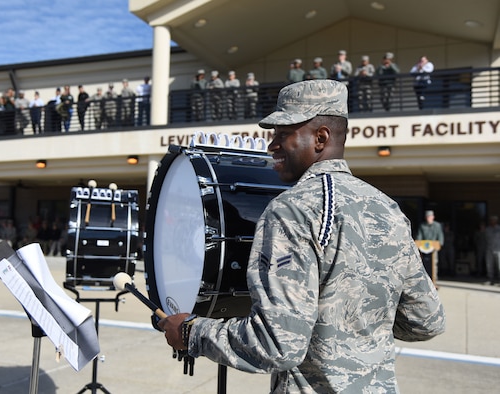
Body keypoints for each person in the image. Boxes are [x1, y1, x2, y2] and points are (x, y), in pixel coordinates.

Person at [158, 80, 445, 393]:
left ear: (320, 138)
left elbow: (277, 344)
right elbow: (426, 320)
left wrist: (190, 332)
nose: (272, 145)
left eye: (284, 134)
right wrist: (355, 331)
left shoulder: (291, 210)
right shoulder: (388, 209)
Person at [416, 210, 445, 281]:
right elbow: (419, 236)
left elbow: (440, 236)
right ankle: (424, 280)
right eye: (427, 217)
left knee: (434, 264)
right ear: (426, 218)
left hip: (433, 248)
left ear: (433, 217)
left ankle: (434, 280)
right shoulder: (422, 226)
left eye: (430, 217)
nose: (429, 218)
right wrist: (418, 243)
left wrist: (440, 244)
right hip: (423, 248)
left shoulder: (437, 225)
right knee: (423, 264)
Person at [485, 215, 500, 284]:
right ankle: (490, 279)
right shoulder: (487, 229)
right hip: (489, 249)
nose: (492, 221)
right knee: (489, 265)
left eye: (494, 220)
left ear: (496, 221)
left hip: (498, 249)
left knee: (499, 265)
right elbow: (485, 239)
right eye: (491, 220)